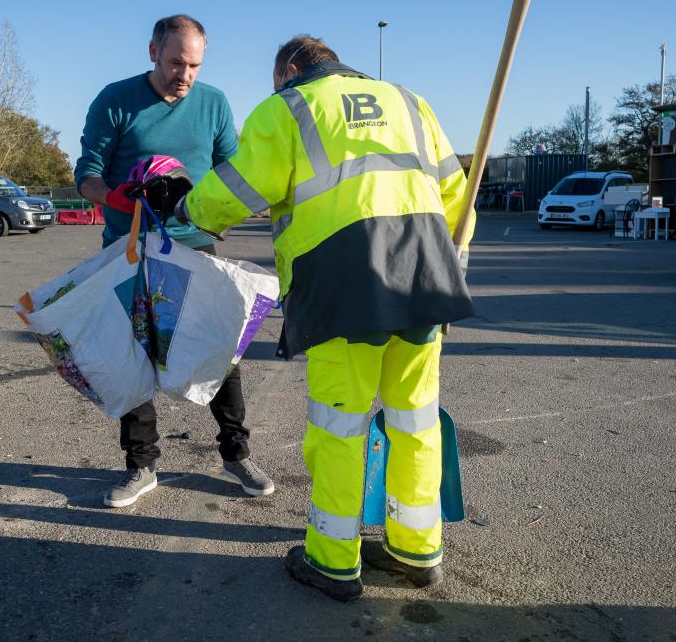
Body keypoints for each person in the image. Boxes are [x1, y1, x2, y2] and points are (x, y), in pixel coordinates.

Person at [175, 35, 475, 602]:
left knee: (341, 427)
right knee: (417, 422)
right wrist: (453, 272)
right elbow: (457, 197)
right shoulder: (411, 103)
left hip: (344, 283)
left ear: (290, 70)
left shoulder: (290, 107)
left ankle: (334, 560)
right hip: (426, 277)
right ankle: (417, 549)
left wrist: (186, 208)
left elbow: (239, 188)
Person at [74, 14, 274, 508]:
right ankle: (141, 466)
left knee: (220, 351)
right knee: (134, 358)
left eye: (194, 66)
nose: (184, 75)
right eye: (175, 63)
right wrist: (116, 199)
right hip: (131, 248)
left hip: (194, 246)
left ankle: (237, 454)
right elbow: (86, 173)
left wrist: (237, 209)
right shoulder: (115, 100)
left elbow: (233, 167)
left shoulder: (214, 103)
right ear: (152, 53)